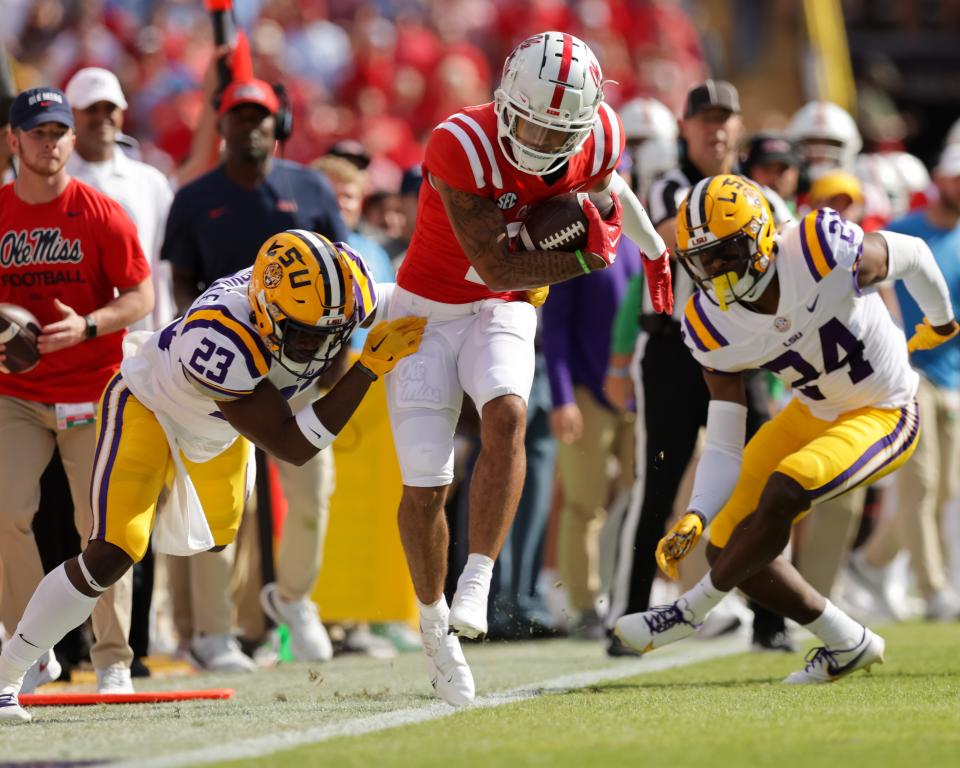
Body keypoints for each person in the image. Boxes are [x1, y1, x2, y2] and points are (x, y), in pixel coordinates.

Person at [0, 229, 425, 723]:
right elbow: (291, 445)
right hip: (153, 406)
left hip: (219, 431)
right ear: (265, 311)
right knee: (115, 548)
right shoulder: (220, 334)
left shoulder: (345, 292)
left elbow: (415, 298)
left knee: (217, 542)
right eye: (303, 333)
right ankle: (11, 669)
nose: (319, 344)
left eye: (332, 332)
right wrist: (367, 369)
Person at [386, 31, 671, 706]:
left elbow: (608, 186)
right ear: (504, 99)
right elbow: (496, 262)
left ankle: (479, 576)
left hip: (501, 308)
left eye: (557, 131)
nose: (543, 144)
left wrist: (656, 250)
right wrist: (587, 257)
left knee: (510, 412)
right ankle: (434, 629)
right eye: (534, 125)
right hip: (426, 309)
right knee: (426, 484)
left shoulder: (599, 135)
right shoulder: (459, 143)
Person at [614, 174, 959, 683]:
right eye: (702, 259)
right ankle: (848, 640)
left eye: (726, 253)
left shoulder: (819, 249)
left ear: (760, 237)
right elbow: (727, 437)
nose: (715, 271)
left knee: (785, 489)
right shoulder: (710, 323)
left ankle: (688, 611)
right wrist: (697, 511)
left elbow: (910, 254)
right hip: (810, 412)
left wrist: (942, 319)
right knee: (723, 543)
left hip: (883, 410)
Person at [161, 76, 350, 671]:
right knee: (222, 503)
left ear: (281, 123)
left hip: (299, 367)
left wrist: (336, 370)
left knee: (314, 489)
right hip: (228, 367)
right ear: (221, 124)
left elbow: (341, 284)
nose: (251, 126)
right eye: (239, 115)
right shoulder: (194, 197)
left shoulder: (311, 187)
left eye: (261, 116)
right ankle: (215, 633)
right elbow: (181, 283)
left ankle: (293, 600)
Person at [604, 80, 784, 654]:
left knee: (762, 484)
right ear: (684, 128)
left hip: (742, 352)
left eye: (725, 118)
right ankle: (627, 618)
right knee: (658, 483)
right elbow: (665, 240)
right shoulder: (669, 187)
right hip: (675, 350)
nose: (717, 128)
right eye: (705, 118)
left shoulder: (762, 194)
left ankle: (771, 620)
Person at [0, 87, 154, 695]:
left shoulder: (101, 210)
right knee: (8, 512)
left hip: (94, 393)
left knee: (107, 526)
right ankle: (28, 652)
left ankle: (112, 657)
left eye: (59, 131)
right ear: (13, 140)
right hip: (15, 392)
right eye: (38, 132)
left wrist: (88, 325)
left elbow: (140, 296)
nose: (51, 142)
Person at [848, 143, 960, 620]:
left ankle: (871, 563)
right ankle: (935, 591)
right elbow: (866, 283)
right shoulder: (905, 229)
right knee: (921, 484)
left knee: (945, 490)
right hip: (908, 372)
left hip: (953, 376)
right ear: (939, 177)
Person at [65, 67, 175, 331]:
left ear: (122, 113)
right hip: (73, 335)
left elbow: (162, 264)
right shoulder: (50, 181)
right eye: (92, 109)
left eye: (109, 108)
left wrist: (164, 329)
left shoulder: (150, 182)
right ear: (71, 116)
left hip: (139, 341)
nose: (102, 117)